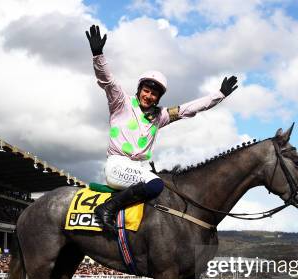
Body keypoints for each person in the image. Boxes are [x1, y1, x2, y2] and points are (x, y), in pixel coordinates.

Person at [85, 25, 238, 232]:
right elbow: (108, 81)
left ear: (159, 98)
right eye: (146, 91)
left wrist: (219, 95)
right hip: (118, 166)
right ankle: (107, 209)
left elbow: (188, 109)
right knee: (156, 185)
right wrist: (98, 55)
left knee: (165, 188)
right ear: (139, 90)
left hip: (139, 169)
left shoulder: (160, 115)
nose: (149, 96)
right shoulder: (120, 103)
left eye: (154, 94)